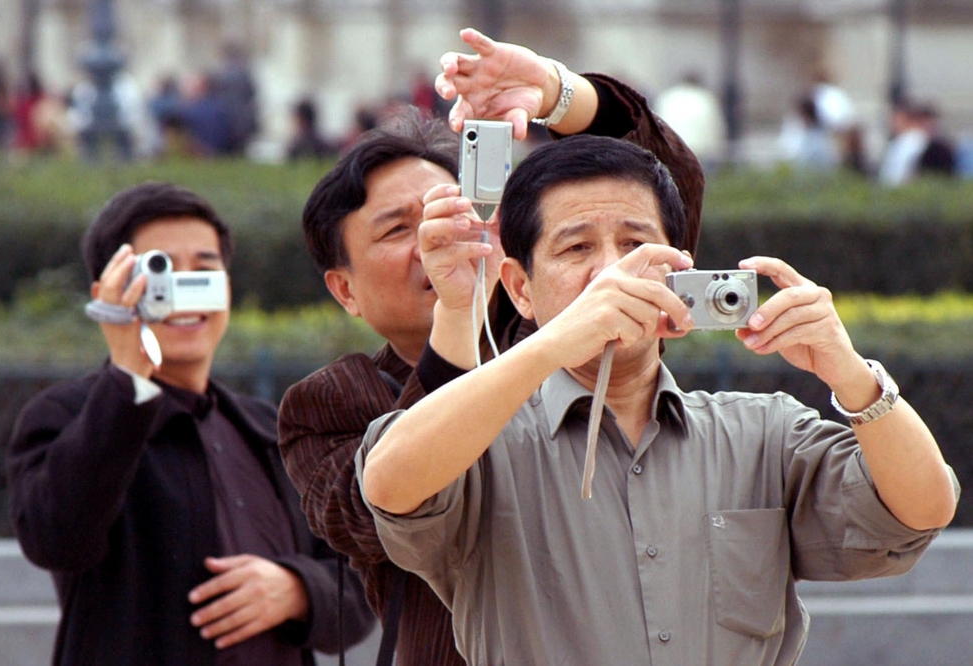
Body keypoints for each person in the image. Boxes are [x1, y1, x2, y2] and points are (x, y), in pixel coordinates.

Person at [356, 134, 959, 665]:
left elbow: (922, 510)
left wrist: (850, 374)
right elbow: (389, 482)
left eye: (634, 244)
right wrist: (556, 342)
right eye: (575, 249)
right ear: (520, 289)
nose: (610, 273)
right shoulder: (481, 442)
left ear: (679, 270)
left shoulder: (763, 433)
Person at [277, 27, 704, 666]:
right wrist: (457, 319)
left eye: (449, 208)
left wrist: (558, 95)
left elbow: (658, 193)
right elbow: (389, 511)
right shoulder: (326, 406)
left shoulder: (559, 322)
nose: (435, 238)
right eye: (398, 230)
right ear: (345, 290)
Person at [7, 182, 374, 666]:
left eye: (203, 271)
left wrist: (296, 589)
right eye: (158, 271)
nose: (181, 292)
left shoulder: (270, 428)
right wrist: (127, 378)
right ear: (106, 293)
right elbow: (57, 539)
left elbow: (360, 583)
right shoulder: (67, 416)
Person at [653, 71, 727, 169]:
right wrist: (719, 149)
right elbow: (715, 127)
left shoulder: (667, 97)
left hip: (671, 149)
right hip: (699, 151)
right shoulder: (705, 98)